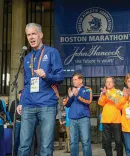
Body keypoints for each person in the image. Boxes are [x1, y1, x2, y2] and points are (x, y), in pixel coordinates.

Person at [17, 23, 64, 156]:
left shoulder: (52, 52)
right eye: (28, 35)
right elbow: (27, 84)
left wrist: (46, 75)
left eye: (33, 34)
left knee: (46, 146)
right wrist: (21, 102)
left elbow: (60, 77)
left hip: (47, 105)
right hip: (29, 105)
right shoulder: (27, 58)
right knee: (24, 145)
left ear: (41, 35)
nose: (31, 37)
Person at [63, 73, 92, 156]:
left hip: (83, 118)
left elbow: (88, 101)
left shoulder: (87, 89)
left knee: (85, 141)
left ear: (81, 80)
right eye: (73, 80)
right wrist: (70, 97)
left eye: (75, 79)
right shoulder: (72, 90)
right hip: (72, 119)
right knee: (73, 142)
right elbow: (67, 104)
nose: (73, 81)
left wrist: (77, 95)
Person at [98, 76, 123, 156]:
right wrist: (104, 94)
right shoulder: (103, 93)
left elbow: (118, 101)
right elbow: (100, 103)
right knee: (107, 143)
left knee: (118, 142)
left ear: (113, 83)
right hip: (105, 121)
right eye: (107, 82)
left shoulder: (118, 92)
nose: (108, 83)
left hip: (116, 121)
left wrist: (107, 95)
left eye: (110, 81)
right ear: (105, 83)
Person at [115, 73, 130, 156]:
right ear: (126, 82)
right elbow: (118, 106)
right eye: (128, 81)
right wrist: (124, 97)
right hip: (126, 126)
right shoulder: (122, 94)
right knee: (128, 149)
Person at [10, 90, 22, 156]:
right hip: (17, 122)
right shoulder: (14, 102)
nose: (21, 95)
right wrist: (12, 121)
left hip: (24, 123)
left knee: (22, 138)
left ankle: (20, 153)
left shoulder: (25, 102)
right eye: (20, 94)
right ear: (18, 94)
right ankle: (15, 152)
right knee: (16, 138)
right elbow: (11, 112)